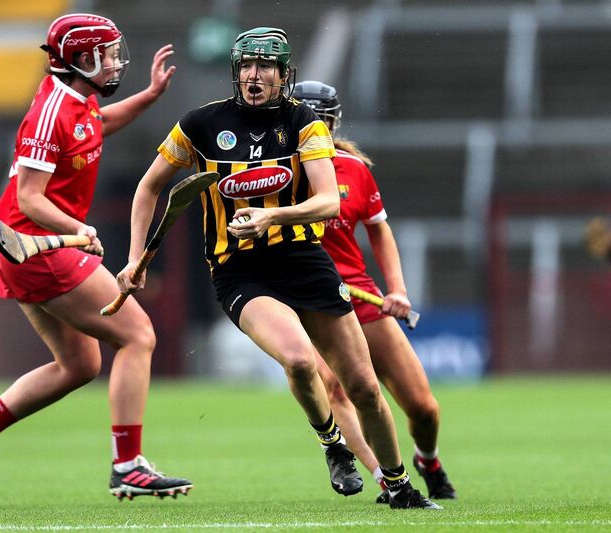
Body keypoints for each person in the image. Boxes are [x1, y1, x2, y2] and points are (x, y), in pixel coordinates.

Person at [117, 27, 440, 509]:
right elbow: (149, 189)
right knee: (299, 359)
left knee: (366, 389)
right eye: (246, 65)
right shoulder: (199, 125)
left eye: (265, 66)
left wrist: (273, 215)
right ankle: (333, 444)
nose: (254, 75)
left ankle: (398, 485)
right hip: (239, 271)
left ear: (284, 74)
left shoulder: (304, 123)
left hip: (305, 262)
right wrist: (134, 258)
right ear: (235, 71)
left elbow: (329, 202)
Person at [0, 13, 191, 501]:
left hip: (31, 246)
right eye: (111, 54)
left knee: (78, 365)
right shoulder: (53, 109)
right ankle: (128, 465)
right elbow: (31, 196)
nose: (118, 61)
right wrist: (79, 229)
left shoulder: (79, 101)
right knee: (138, 335)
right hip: (36, 245)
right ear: (83, 59)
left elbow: (98, 126)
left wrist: (150, 96)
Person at [293, 80, 458, 503]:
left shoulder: (354, 170)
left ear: (333, 123)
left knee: (423, 409)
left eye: (322, 121)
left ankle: (429, 459)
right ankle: (387, 479)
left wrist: (397, 289)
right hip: (303, 300)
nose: (316, 129)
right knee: (335, 388)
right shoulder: (274, 171)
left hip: (361, 298)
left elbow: (379, 231)